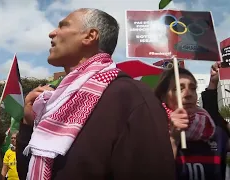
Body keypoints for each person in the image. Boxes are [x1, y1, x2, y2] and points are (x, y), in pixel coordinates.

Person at [17, 8, 175, 180]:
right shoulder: (54, 102)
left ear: (90, 36)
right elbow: (27, 173)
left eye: (63, 26)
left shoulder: (130, 96)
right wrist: (27, 125)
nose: (52, 33)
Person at [154, 66, 228, 180]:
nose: (188, 94)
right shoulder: (153, 133)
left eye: (193, 88)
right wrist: (173, 140)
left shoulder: (213, 131)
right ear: (163, 97)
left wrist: (213, 84)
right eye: (179, 89)